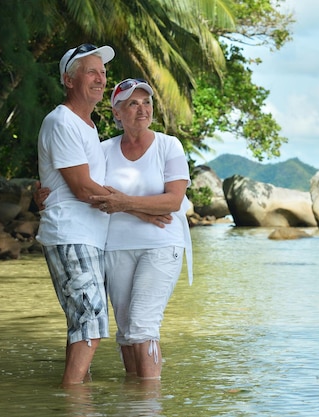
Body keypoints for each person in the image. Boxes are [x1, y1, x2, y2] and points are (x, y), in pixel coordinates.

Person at [90, 78, 193, 379]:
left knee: (142, 323)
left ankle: (149, 400)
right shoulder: (103, 151)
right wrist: (140, 207)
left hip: (162, 244)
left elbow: (173, 201)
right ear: (116, 113)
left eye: (146, 102)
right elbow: (94, 194)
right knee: (125, 329)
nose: (142, 109)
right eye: (132, 103)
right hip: (116, 246)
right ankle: (134, 402)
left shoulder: (168, 145)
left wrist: (124, 203)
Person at [36, 43, 115, 387]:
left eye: (103, 72)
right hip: (71, 233)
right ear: (69, 80)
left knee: (83, 322)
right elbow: (83, 189)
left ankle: (72, 396)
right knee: (91, 318)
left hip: (85, 235)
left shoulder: (88, 126)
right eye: (91, 72)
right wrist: (140, 206)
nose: (100, 79)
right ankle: (74, 400)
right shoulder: (62, 121)